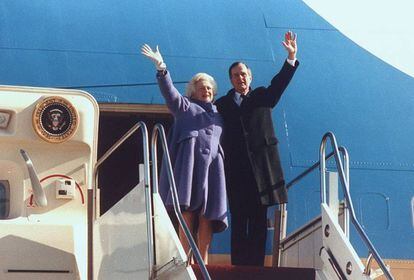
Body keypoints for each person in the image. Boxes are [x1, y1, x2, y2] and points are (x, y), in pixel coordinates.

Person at [215, 31, 299, 266]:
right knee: (239, 220)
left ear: (249, 77)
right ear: (230, 80)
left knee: (260, 220)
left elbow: (279, 83)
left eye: (243, 74)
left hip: (262, 171)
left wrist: (290, 57)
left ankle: (256, 268)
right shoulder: (221, 105)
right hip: (236, 171)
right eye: (235, 75)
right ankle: (239, 267)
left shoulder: (263, 96)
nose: (240, 78)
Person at [141, 44, 228, 264]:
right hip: (189, 167)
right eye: (201, 87)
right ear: (193, 91)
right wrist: (162, 68)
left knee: (208, 215)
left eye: (209, 88)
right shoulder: (185, 107)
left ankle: (203, 260)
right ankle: (186, 257)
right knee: (187, 211)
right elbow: (170, 94)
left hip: (212, 170)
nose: (206, 90)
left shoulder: (220, 115)